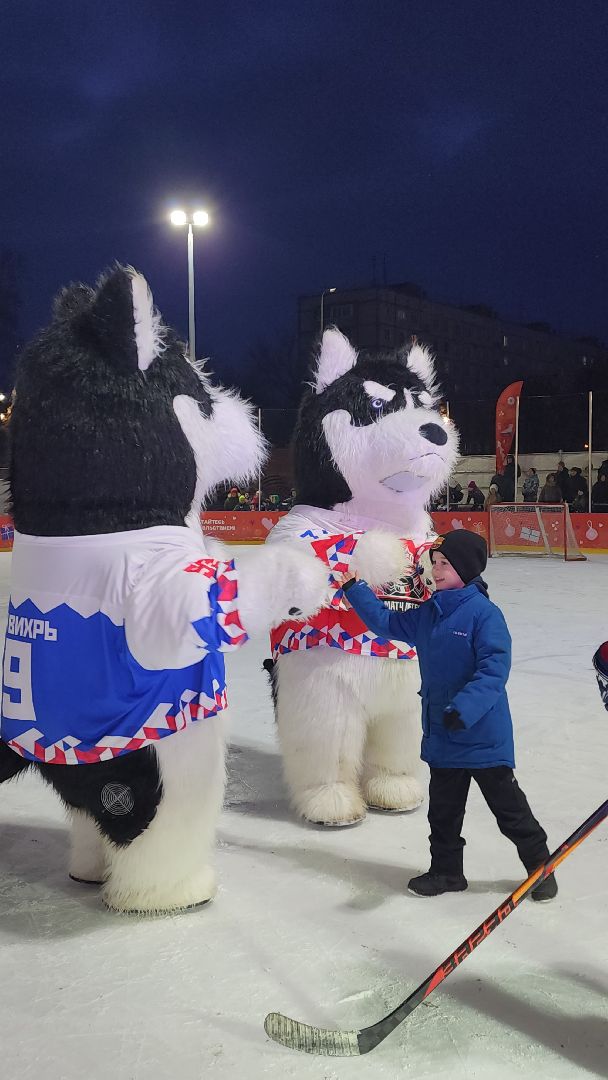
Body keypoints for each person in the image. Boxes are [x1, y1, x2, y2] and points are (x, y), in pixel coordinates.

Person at [340, 530, 557, 901]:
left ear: (466, 568)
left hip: (481, 737)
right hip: (443, 735)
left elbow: (493, 670)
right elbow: (387, 624)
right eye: (434, 563)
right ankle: (446, 873)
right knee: (442, 815)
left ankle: (541, 867)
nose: (436, 571)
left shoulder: (484, 615)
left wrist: (464, 709)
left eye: (444, 564)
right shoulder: (431, 612)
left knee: (510, 812)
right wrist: (355, 589)